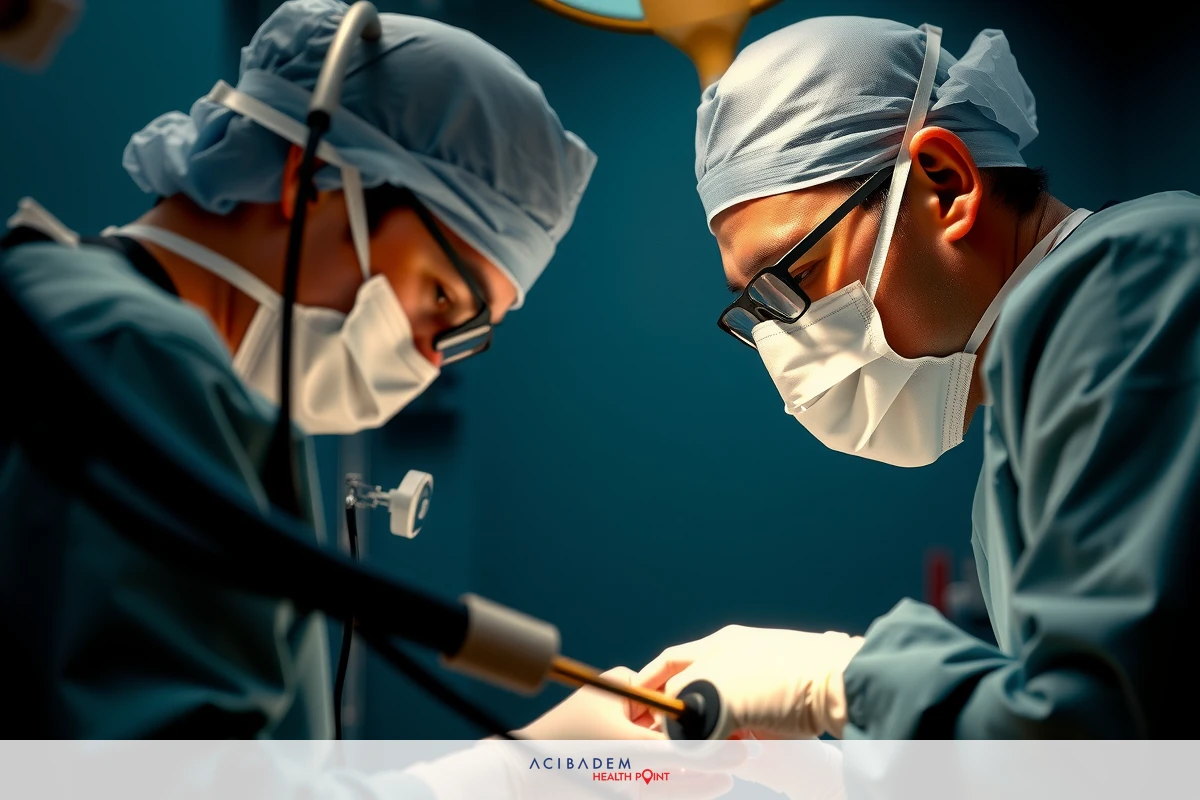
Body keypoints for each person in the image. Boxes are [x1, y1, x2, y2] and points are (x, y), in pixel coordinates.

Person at [0, 0, 656, 744]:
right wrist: (518, 776)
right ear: (307, 177)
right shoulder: (131, 353)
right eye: (443, 295)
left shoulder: (115, 346)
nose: (433, 356)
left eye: (470, 334)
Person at [633, 16, 1200, 738]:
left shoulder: (1140, 280)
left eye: (795, 276)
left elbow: (1105, 739)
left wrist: (840, 683)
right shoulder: (1018, 452)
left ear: (946, 183)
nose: (789, 339)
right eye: (759, 304)